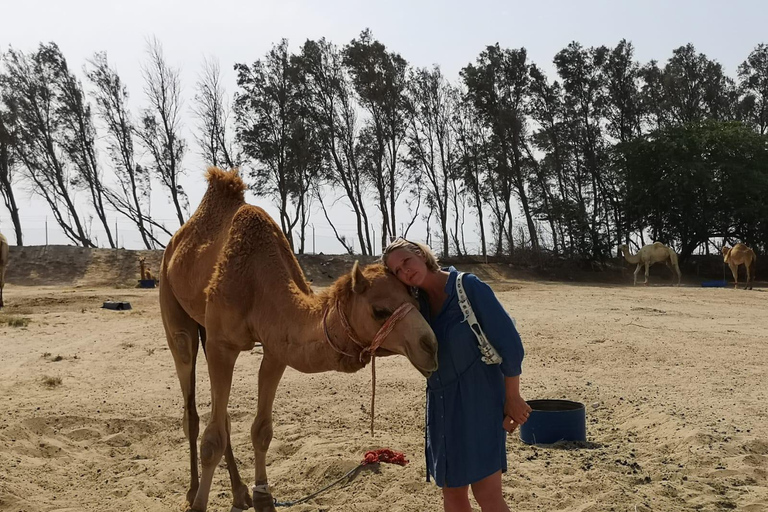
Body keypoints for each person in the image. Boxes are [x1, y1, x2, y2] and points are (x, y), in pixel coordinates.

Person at [382, 238, 531, 512]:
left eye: (406, 261)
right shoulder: (417, 306)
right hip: (441, 406)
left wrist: (513, 397)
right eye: (397, 271)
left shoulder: (468, 286)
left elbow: (510, 345)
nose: (405, 271)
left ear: (421, 254)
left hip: (480, 401)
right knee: (452, 494)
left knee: (487, 495)